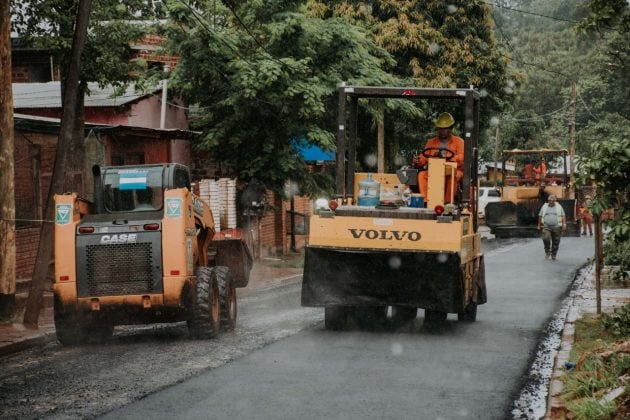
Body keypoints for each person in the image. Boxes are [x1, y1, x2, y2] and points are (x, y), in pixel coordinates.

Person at [414, 112, 464, 204]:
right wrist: (418, 161)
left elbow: (462, 158)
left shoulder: (459, 142)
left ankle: (447, 203)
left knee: (454, 177)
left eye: (445, 128)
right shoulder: (431, 142)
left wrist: (448, 157)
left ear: (451, 128)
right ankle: (426, 201)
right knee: (422, 175)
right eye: (440, 128)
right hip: (435, 170)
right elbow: (424, 157)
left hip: (452, 170)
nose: (442, 131)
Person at [537, 194, 567, 260]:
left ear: (555, 201)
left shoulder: (559, 206)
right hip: (546, 226)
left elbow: (563, 215)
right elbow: (540, 215)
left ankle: (554, 254)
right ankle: (547, 252)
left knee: (556, 241)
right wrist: (539, 225)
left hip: (557, 226)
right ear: (548, 200)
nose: (551, 202)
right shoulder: (544, 206)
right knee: (545, 238)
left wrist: (564, 224)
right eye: (550, 200)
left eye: (552, 200)